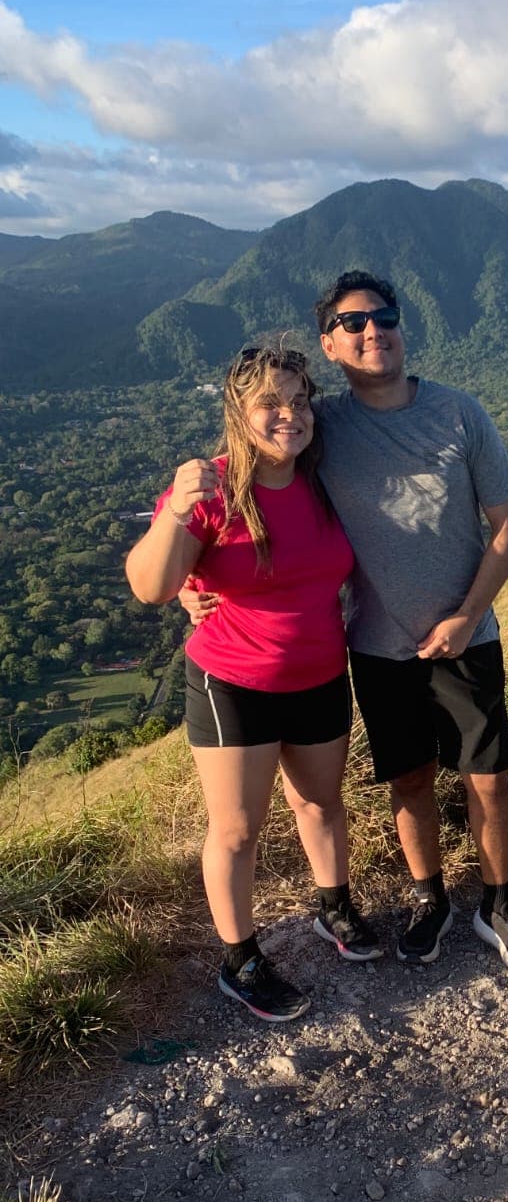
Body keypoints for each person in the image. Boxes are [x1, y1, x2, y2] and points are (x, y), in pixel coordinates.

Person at [126, 346, 381, 1023]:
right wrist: (175, 514)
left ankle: (334, 908)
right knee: (238, 830)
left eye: (298, 400)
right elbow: (150, 586)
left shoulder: (324, 481)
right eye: (270, 402)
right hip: (233, 682)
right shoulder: (210, 490)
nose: (288, 414)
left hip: (321, 674)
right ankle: (239, 960)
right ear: (238, 413)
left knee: (321, 804)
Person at [311, 270, 508, 974]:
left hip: (468, 635)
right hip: (377, 643)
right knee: (408, 778)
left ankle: (497, 902)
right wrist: (195, 577)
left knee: (488, 777)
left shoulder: (458, 413)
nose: (373, 331)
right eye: (354, 323)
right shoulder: (320, 427)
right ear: (329, 344)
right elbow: (249, 482)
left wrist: (468, 616)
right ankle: (429, 898)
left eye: (385, 317)